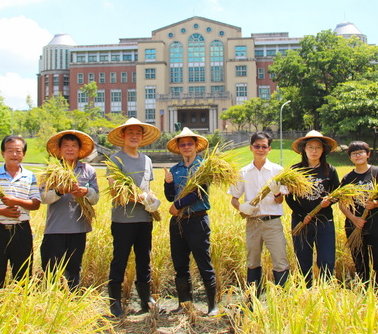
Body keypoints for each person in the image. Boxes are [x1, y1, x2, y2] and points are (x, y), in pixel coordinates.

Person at [106, 118, 162, 317]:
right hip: (123, 220)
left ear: (142, 137)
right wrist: (139, 198)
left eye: (137, 133)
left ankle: (146, 299)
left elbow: (149, 186)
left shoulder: (147, 160)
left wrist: (152, 198)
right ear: (123, 136)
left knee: (144, 260)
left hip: (144, 220)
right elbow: (115, 190)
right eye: (130, 133)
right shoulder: (115, 160)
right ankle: (115, 302)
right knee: (119, 260)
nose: (134, 136)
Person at [164, 127, 218, 316]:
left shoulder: (204, 167)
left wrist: (177, 205)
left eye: (190, 144)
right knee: (180, 264)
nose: (186, 147)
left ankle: (212, 305)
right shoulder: (175, 169)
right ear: (178, 148)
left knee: (204, 262)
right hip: (178, 222)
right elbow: (170, 197)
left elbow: (198, 193)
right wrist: (168, 183)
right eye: (183, 144)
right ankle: (184, 304)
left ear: (196, 146)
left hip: (197, 220)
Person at [0, 135, 41, 287]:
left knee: (23, 274)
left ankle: (19, 307)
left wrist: (16, 201)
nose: (14, 155)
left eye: (18, 151)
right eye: (10, 151)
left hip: (22, 230)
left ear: (23, 154)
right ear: (2, 154)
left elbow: (36, 203)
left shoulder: (29, 176)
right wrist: (1, 211)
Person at [229, 132, 290, 295]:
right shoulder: (243, 172)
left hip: (272, 222)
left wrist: (277, 193)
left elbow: (280, 201)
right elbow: (234, 199)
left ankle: (282, 299)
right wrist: (241, 208)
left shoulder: (278, 170)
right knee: (253, 260)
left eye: (264, 146)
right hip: (253, 222)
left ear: (269, 149)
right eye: (257, 146)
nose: (260, 149)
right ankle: (253, 299)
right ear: (251, 148)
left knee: (280, 260)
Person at [40, 130, 99, 290]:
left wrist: (85, 192)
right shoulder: (51, 171)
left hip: (78, 229)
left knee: (74, 271)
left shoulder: (88, 170)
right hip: (55, 229)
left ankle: (72, 303)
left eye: (74, 146)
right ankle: (49, 304)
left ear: (80, 149)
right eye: (66, 146)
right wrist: (59, 191)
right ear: (59, 150)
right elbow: (42, 197)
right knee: (50, 271)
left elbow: (95, 198)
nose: (70, 149)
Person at [285, 131, 340, 286]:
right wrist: (302, 215)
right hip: (301, 222)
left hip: (324, 222)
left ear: (323, 150)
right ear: (304, 149)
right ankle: (306, 291)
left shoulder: (330, 170)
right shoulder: (296, 170)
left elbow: (337, 193)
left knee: (326, 260)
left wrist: (330, 201)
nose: (314, 151)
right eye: (310, 147)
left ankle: (326, 291)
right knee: (303, 259)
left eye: (317, 148)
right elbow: (289, 197)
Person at [339, 141, 378, 291]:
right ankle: (364, 290)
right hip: (354, 227)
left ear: (368, 154)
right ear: (350, 157)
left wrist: (377, 203)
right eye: (353, 154)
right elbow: (342, 203)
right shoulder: (347, 178)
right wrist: (354, 219)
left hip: (377, 225)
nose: (357, 155)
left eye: (360, 152)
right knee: (360, 262)